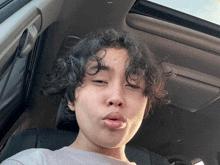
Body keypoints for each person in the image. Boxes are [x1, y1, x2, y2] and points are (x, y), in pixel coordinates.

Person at [1, 29, 168, 165]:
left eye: (132, 85)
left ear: (146, 104)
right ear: (72, 99)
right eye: (100, 80)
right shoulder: (33, 162)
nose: (117, 98)